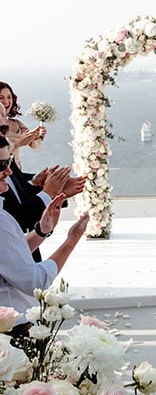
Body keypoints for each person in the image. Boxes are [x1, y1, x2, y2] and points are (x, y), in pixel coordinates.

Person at [0, 135, 89, 331]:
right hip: (12, 326)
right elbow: (35, 281)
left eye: (9, 162)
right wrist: (71, 240)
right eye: (1, 165)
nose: (8, 171)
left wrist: (41, 231)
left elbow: (6, 254)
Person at [0, 81, 46, 169]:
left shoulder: (17, 123)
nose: (6, 102)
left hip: (17, 175)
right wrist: (19, 143)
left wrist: (35, 137)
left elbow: (35, 146)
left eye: (9, 97)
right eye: (1, 98)